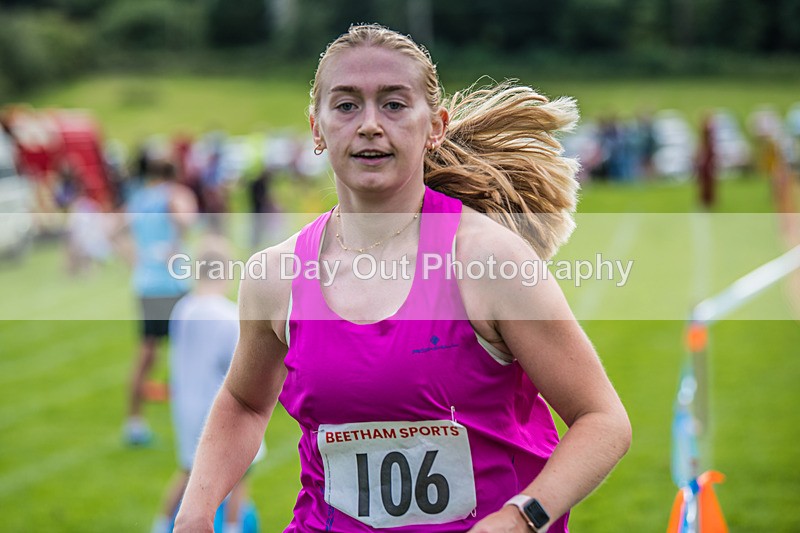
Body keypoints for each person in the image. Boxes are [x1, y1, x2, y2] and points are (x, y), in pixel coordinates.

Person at [175, 24, 631, 532]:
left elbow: (602, 420)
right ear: (317, 129)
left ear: (434, 125)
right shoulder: (274, 276)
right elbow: (243, 402)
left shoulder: (488, 261)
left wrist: (524, 517)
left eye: (393, 104)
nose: (370, 124)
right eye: (346, 105)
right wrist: (194, 513)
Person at [152, 241, 262, 533]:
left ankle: (161, 524)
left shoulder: (182, 308)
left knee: (190, 469)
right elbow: (244, 367)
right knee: (241, 472)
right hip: (220, 407)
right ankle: (233, 527)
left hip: (186, 404)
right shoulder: (229, 316)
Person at [123, 157, 198, 445]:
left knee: (146, 354)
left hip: (146, 283)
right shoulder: (174, 194)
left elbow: (114, 230)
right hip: (172, 284)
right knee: (188, 353)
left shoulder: (139, 198)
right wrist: (176, 243)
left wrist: (134, 260)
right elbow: (186, 219)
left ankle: (134, 423)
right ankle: (192, 417)